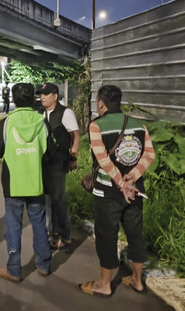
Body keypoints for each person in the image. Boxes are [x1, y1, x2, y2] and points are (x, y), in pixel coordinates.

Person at [79, 85, 155, 297]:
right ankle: (138, 281)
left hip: (108, 192)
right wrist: (133, 177)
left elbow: (103, 159)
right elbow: (149, 155)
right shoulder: (139, 125)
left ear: (101, 103)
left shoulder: (96, 126)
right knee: (135, 234)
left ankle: (104, 284)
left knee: (106, 235)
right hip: (135, 191)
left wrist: (121, 183)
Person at [0, 83, 51, 282]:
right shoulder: (42, 122)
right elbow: (49, 153)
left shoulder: (6, 123)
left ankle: (14, 270)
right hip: (36, 182)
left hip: (13, 184)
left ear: (13, 100)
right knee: (39, 223)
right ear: (33, 98)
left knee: (13, 226)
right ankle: (44, 264)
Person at [37, 83, 80, 250]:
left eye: (46, 94)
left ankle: (64, 235)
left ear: (55, 95)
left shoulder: (65, 113)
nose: (42, 97)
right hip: (42, 163)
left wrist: (74, 156)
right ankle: (51, 232)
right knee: (46, 199)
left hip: (58, 163)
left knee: (58, 200)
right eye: (41, 94)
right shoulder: (39, 113)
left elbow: (75, 135)